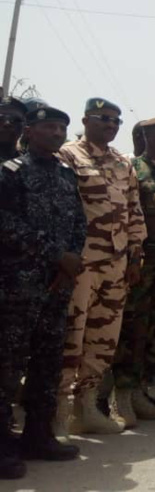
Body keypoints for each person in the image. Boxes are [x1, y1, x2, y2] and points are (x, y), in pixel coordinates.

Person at [0, 106, 85, 480]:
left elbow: (79, 221)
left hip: (56, 287)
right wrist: (55, 254)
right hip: (19, 286)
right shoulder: (12, 173)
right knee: (7, 367)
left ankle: (39, 436)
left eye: (61, 128)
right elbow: (6, 222)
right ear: (30, 131)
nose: (56, 133)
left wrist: (71, 261)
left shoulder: (66, 174)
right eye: (49, 126)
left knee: (48, 363)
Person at [58, 98, 147, 434]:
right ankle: (59, 412)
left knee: (103, 338)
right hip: (81, 264)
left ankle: (87, 408)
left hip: (116, 264)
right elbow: (62, 208)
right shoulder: (68, 155)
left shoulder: (123, 163)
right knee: (72, 336)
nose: (110, 125)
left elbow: (134, 210)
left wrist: (135, 254)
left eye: (116, 121)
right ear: (85, 121)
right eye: (103, 119)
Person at [113, 118, 155, 425]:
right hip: (141, 264)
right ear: (145, 137)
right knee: (132, 329)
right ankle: (121, 396)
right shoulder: (133, 169)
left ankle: (142, 388)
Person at [0, 96, 27, 163]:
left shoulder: (31, 164)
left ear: (24, 126)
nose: (7, 124)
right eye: (0, 118)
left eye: (15, 120)